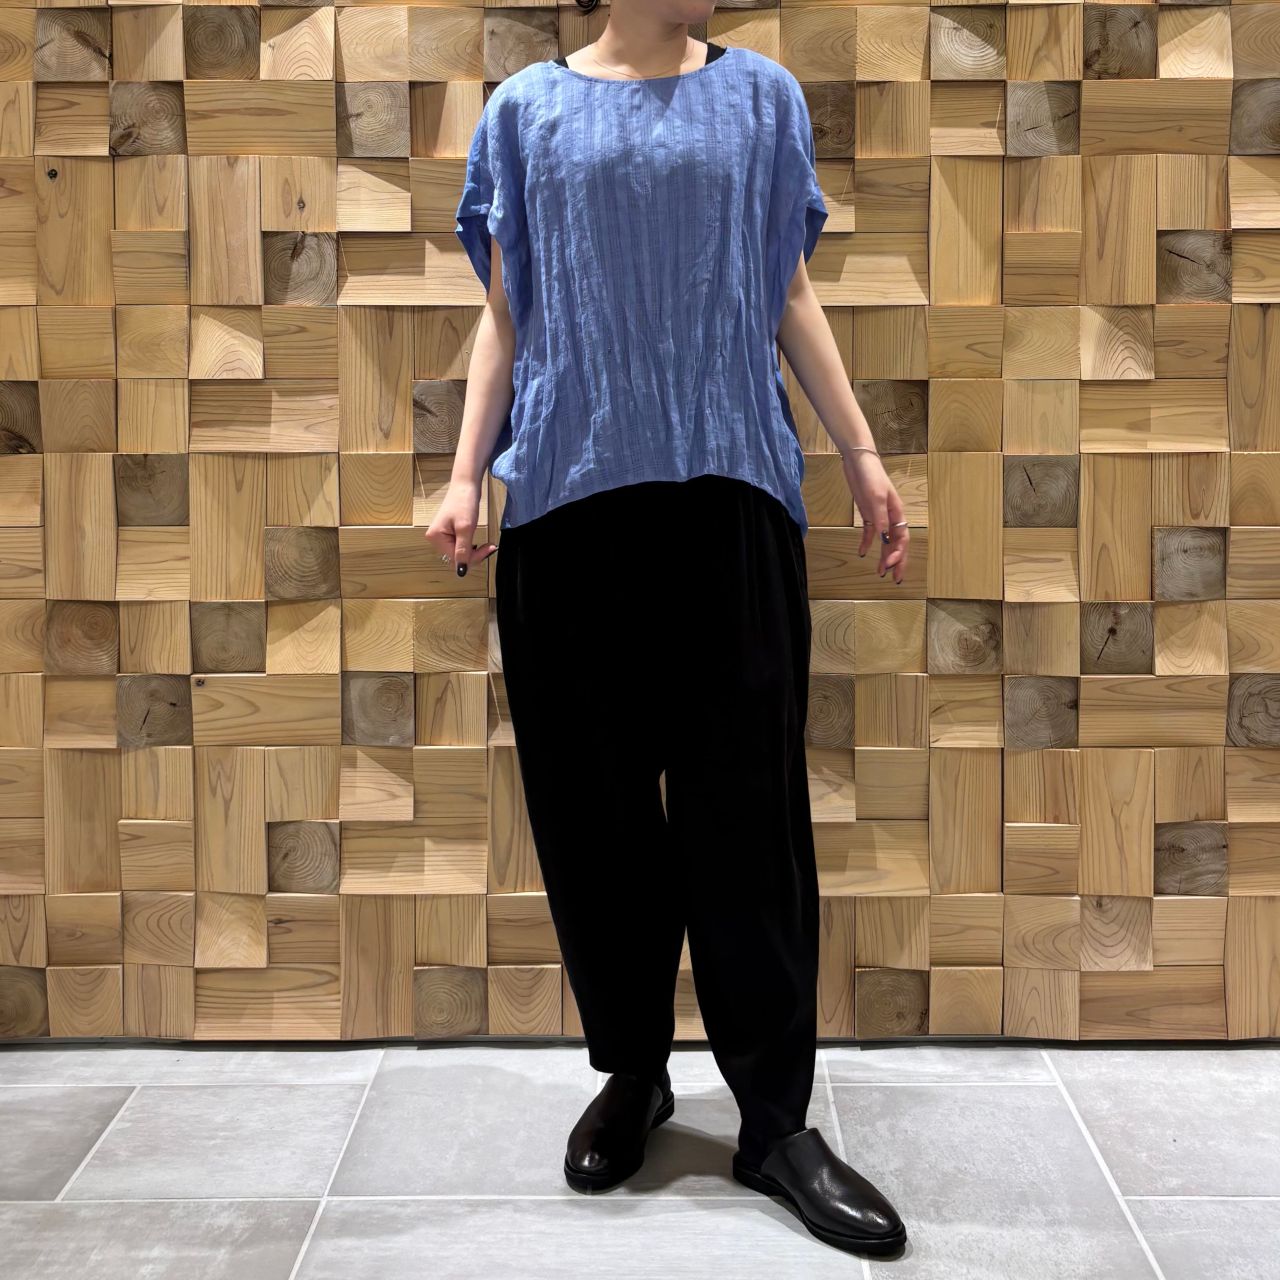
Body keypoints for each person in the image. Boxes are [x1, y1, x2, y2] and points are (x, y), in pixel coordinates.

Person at [426, 0, 910, 1259]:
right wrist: (465, 473)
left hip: (729, 488)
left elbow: (785, 287)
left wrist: (860, 456)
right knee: (590, 814)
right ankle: (633, 1072)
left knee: (747, 812)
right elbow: (506, 312)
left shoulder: (761, 100)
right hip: (568, 499)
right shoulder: (524, 113)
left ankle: (774, 1122)